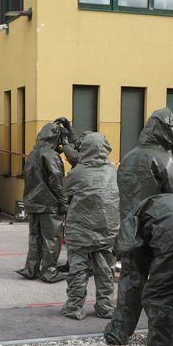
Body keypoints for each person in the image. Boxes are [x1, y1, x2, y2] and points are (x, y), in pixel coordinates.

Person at [105, 109, 173, 345]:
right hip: (161, 229)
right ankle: (160, 338)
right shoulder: (164, 160)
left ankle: (120, 331)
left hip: (132, 227)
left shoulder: (129, 157)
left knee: (131, 279)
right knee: (162, 286)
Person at [106, 193, 173, 346]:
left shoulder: (128, 235)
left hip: (170, 235)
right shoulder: (145, 212)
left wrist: (117, 332)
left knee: (159, 297)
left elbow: (132, 285)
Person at [60, 132, 120, 320]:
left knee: (78, 270)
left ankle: (74, 307)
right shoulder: (112, 171)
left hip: (80, 230)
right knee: (105, 271)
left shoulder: (78, 172)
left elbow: (63, 191)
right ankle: (105, 307)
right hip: (107, 230)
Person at [17, 121, 69, 283]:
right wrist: (64, 203)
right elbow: (56, 181)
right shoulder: (50, 155)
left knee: (35, 236)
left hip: (33, 202)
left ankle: (31, 268)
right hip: (49, 203)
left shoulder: (32, 154)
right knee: (51, 238)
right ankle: (49, 271)